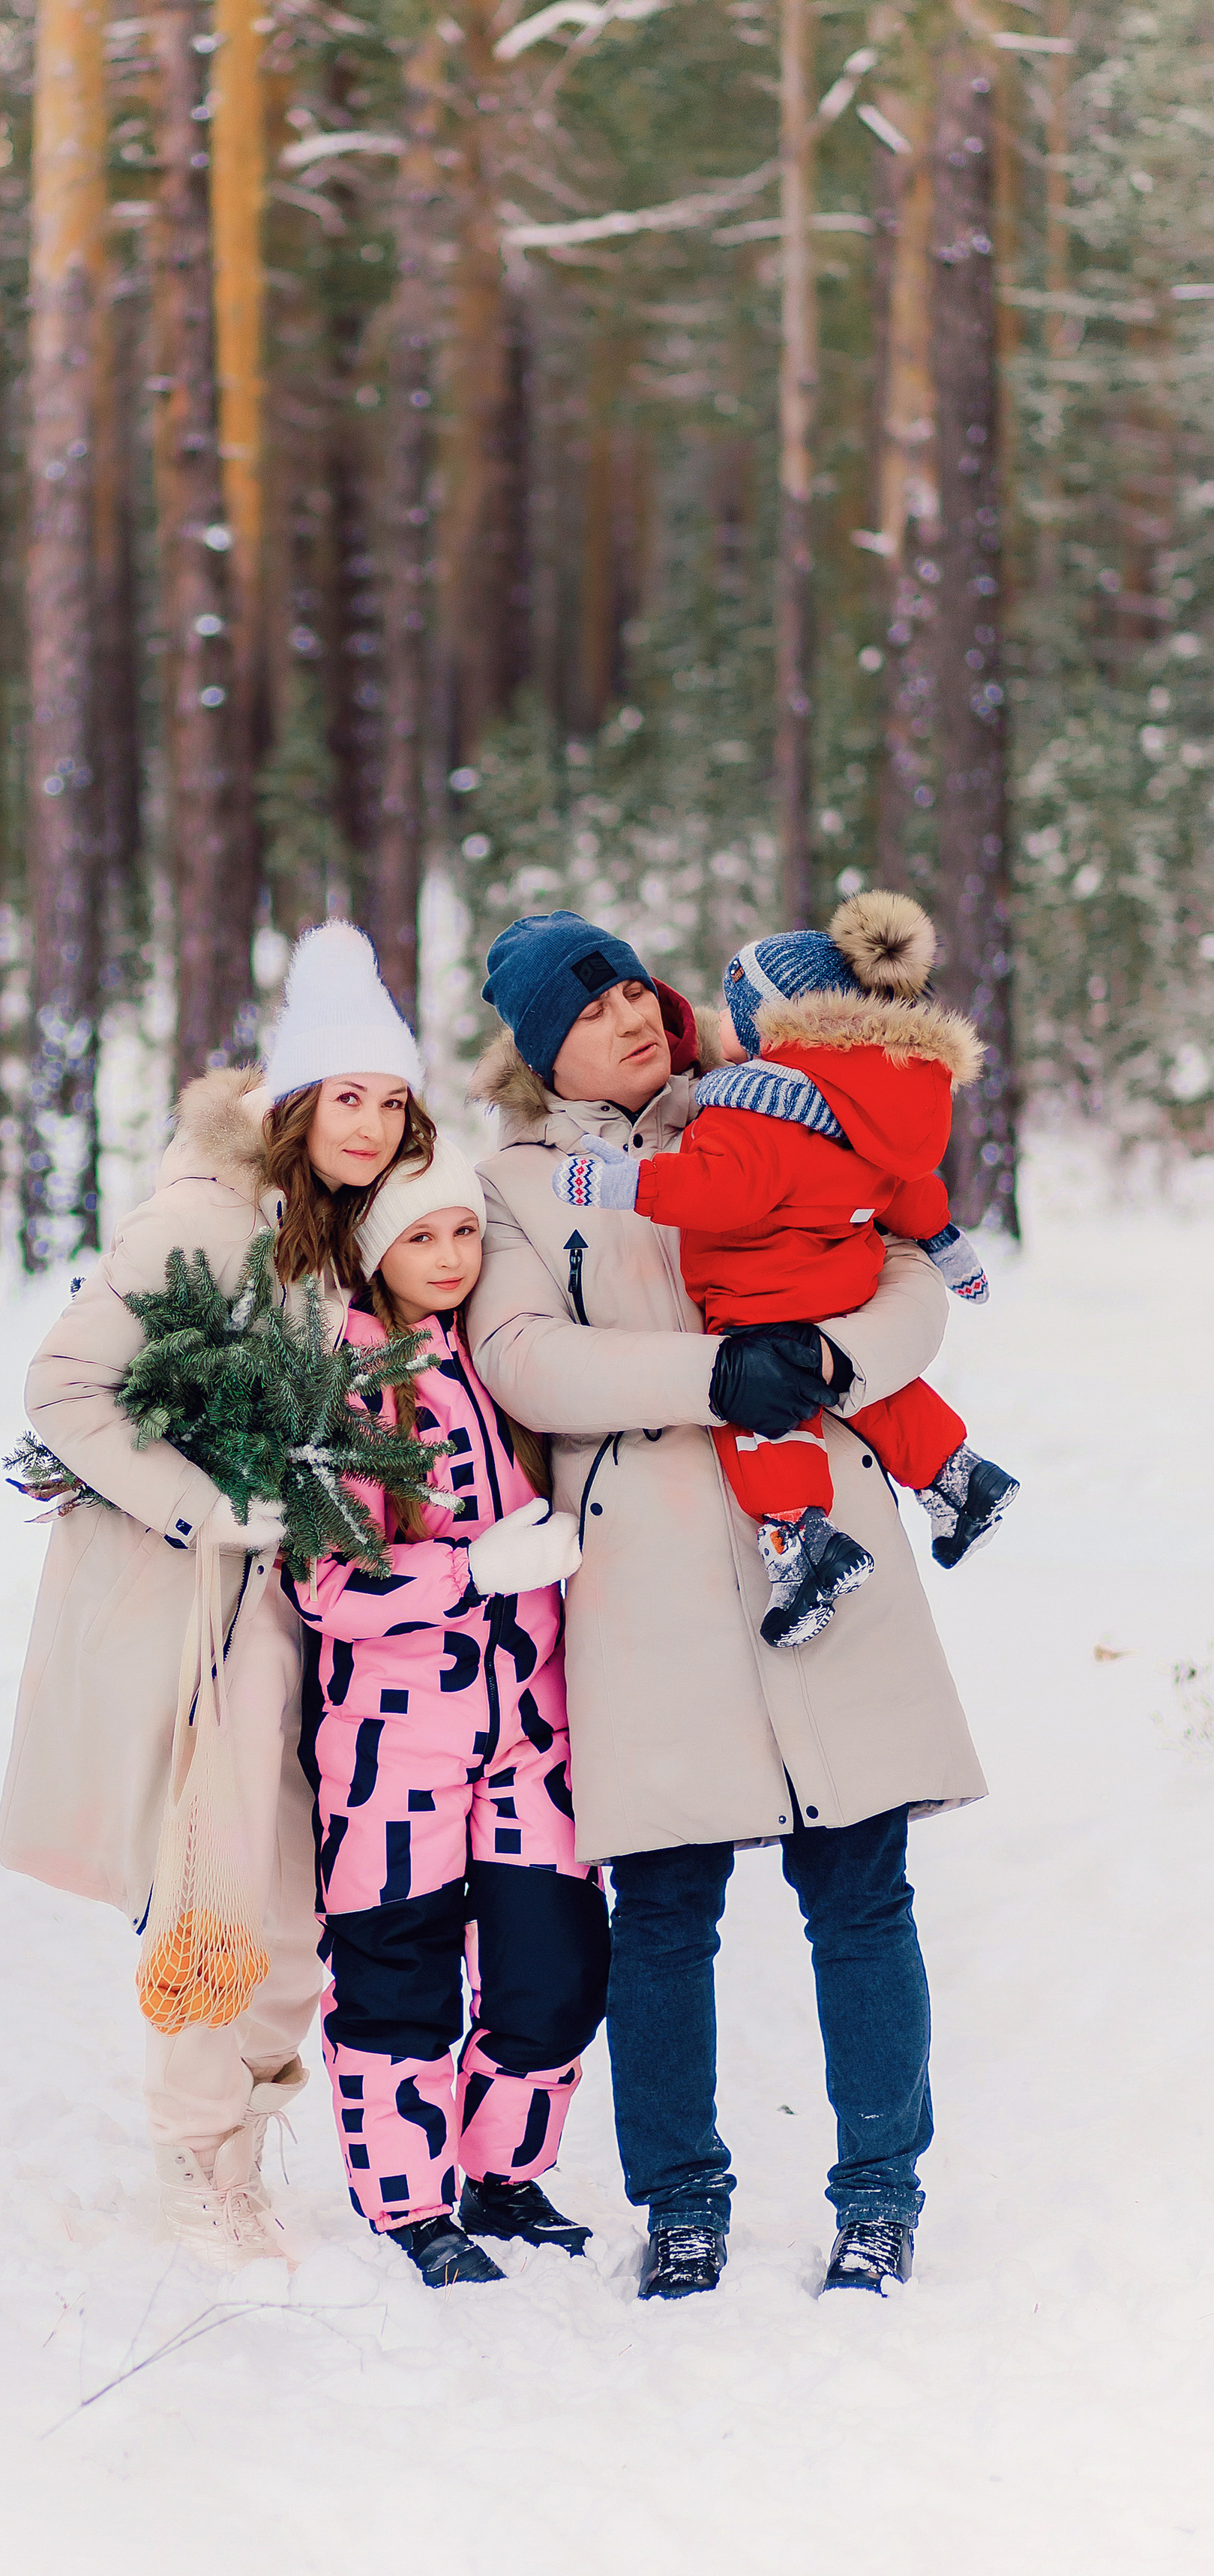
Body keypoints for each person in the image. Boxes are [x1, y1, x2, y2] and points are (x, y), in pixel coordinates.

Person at [466, 910, 987, 2302]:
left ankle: (880, 2197)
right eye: (593, 1012)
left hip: (822, 1526)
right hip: (646, 1571)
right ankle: (683, 2201)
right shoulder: (519, 1184)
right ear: (544, 1052)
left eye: (637, 991)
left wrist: (822, 1358)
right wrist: (709, 1381)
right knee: (665, 1906)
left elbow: (907, 1276)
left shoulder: (774, 1094)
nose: (633, 1018)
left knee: (862, 1888)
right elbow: (522, 1360)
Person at [0, 922, 436, 2265]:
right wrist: (212, 1506)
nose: (370, 1126)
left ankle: (235, 2132)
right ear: (294, 1101)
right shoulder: (202, 1218)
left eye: (393, 1102)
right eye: (346, 1097)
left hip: (322, 1615)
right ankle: (200, 2167)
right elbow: (63, 1387)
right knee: (219, 1899)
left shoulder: (342, 1235)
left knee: (297, 1919)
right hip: (215, 1620)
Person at [279, 1138, 607, 2288]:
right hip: (392, 1745)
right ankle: (411, 2207)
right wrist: (475, 1569)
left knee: (555, 1968)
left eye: (465, 1230)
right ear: (375, 1250)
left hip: (529, 1733)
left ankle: (503, 2175)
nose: (452, 1255)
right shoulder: (344, 1381)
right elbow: (326, 1582)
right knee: (396, 1980)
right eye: (421, 1235)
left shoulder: (504, 1356)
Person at [554, 890, 1020, 1647]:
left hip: (763, 1297)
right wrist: (945, 1243)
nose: (719, 1023)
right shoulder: (856, 1106)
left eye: (734, 1008)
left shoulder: (752, 1110)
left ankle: (800, 1540)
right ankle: (960, 1476)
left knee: (766, 1418)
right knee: (871, 1390)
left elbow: (719, 1189)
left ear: (769, 1023)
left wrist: (623, 1183)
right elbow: (908, 1188)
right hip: (842, 1287)